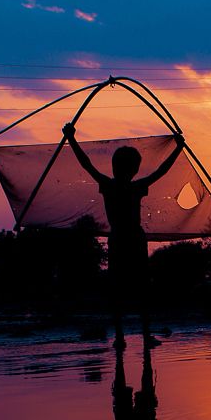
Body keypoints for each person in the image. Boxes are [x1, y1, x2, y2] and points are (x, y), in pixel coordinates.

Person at [62, 122, 185, 348]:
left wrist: (71, 138)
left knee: (125, 288)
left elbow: (87, 165)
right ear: (134, 169)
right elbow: (161, 171)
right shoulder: (132, 186)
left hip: (121, 239)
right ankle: (136, 336)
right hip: (130, 239)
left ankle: (123, 338)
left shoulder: (110, 185)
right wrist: (178, 148)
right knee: (137, 288)